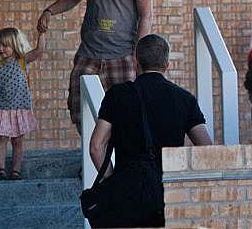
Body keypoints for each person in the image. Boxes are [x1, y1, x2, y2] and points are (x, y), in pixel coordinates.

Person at [37, 0, 154, 132]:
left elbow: (145, 16)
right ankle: (92, 161)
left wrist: (138, 57)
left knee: (127, 114)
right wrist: (49, 11)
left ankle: (120, 162)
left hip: (122, 55)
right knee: (80, 110)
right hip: (89, 54)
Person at [88, 34, 212, 227]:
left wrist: (113, 180)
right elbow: (206, 148)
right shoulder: (185, 99)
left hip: (128, 194)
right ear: (167, 65)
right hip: (169, 194)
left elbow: (96, 146)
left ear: (136, 62)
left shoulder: (117, 95)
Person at [0, 26, 45, 180]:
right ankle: (0, 169)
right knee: (2, 138)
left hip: (20, 108)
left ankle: (16, 170)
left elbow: (38, 51)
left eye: (5, 45)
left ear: (14, 45)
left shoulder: (22, 61)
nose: (1, 48)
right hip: (3, 109)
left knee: (17, 141)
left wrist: (42, 34)